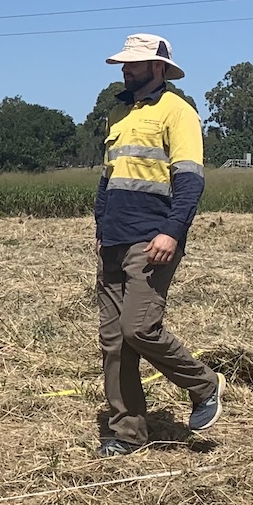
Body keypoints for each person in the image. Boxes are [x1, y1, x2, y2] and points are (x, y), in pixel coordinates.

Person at [94, 32, 224, 455]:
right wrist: (100, 228)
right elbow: (107, 178)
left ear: (157, 68)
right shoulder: (116, 114)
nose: (126, 71)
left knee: (139, 328)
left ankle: (203, 384)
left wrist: (172, 231)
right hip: (113, 238)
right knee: (115, 341)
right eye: (124, 65)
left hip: (152, 240)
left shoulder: (178, 112)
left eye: (133, 64)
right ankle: (127, 433)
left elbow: (189, 181)